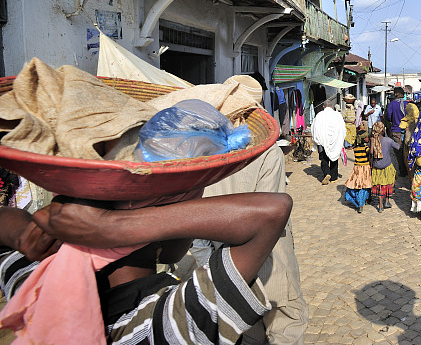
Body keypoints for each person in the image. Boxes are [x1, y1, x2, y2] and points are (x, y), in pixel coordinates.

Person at [0, 191, 292, 344]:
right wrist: (111, 226)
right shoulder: (164, 325)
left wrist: (25, 236)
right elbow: (273, 211)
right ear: (159, 240)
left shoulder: (37, 288)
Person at [203, 144, 308, 345]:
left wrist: (215, 270)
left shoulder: (202, 161)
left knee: (249, 336)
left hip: (228, 272)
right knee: (286, 330)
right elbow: (269, 217)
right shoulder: (267, 153)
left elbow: (197, 232)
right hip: (271, 269)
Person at [311, 98, 346, 185]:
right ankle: (333, 177)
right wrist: (340, 140)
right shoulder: (337, 115)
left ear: (323, 107)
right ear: (332, 106)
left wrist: (317, 140)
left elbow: (314, 128)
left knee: (324, 159)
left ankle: (327, 173)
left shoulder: (319, 115)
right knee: (334, 159)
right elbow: (342, 128)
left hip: (322, 142)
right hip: (335, 141)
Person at [370, 121, 400, 212]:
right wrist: (400, 139)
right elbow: (398, 147)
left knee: (379, 185)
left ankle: (380, 205)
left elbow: (371, 153)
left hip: (377, 167)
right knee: (387, 183)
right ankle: (387, 201)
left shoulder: (373, 140)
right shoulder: (388, 140)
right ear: (383, 130)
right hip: (387, 166)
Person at [344, 123, 372, 213]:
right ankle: (362, 203)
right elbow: (370, 154)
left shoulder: (355, 148)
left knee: (357, 184)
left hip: (357, 168)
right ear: (364, 139)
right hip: (365, 168)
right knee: (364, 185)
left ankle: (361, 201)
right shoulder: (366, 148)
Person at [385, 87, 409, 176]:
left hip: (396, 131)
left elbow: (388, 117)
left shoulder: (392, 104)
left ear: (395, 94)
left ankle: (402, 171)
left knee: (399, 152)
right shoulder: (408, 104)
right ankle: (408, 169)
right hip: (407, 131)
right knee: (407, 150)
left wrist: (394, 119)